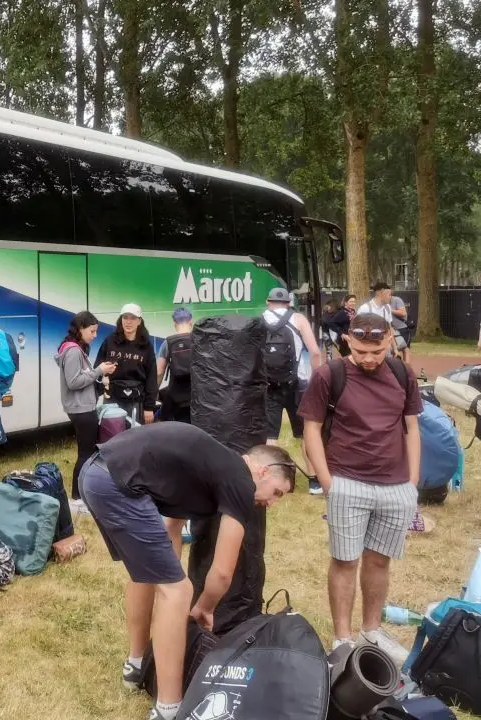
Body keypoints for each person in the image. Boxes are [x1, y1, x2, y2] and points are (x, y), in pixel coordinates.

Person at [79, 422, 295, 720]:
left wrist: (169, 576)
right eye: (277, 493)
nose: (270, 503)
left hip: (95, 474)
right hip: (116, 483)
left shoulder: (210, 468)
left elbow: (171, 528)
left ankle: (137, 665)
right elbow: (222, 572)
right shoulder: (240, 481)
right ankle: (168, 708)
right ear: (263, 471)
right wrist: (203, 608)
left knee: (147, 575)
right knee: (179, 590)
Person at [299, 312, 422, 664]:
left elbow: (412, 428)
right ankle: (342, 638)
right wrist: (326, 482)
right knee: (344, 561)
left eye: (377, 351)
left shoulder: (402, 373)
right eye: (362, 351)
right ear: (348, 341)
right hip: (346, 481)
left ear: (389, 343)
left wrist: (412, 481)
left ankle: (371, 630)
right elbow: (311, 429)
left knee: (379, 561)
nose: (370, 359)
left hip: (395, 484)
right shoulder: (329, 375)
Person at [262, 287, 323, 492]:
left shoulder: (259, 320)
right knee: (306, 433)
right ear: (288, 302)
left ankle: (270, 480)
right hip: (298, 384)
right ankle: (314, 481)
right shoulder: (298, 319)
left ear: (267, 302)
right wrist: (317, 378)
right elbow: (314, 352)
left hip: (269, 385)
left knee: (271, 435)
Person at [55, 311, 115, 504]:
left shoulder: (75, 348)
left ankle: (81, 494)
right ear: (80, 329)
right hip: (81, 408)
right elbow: (73, 382)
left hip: (82, 406)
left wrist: (98, 373)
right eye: (92, 331)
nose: (95, 335)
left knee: (87, 451)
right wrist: (99, 370)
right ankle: (77, 496)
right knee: (86, 453)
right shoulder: (73, 351)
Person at [95, 303, 157, 426]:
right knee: (113, 436)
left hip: (136, 401)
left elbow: (152, 378)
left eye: (133, 318)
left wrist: (149, 407)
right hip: (112, 399)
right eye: (125, 318)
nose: (128, 322)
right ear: (120, 320)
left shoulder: (146, 346)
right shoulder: (110, 341)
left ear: (139, 321)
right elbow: (97, 369)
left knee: (135, 439)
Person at [156, 307, 194, 423]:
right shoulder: (200, 341)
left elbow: (159, 372)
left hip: (176, 399)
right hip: (197, 398)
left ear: (174, 323)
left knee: (159, 419)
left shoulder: (168, 342)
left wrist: (153, 395)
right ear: (191, 322)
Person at [389, 295, 412, 363]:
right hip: (390, 330)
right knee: (392, 350)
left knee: (405, 349)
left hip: (401, 329)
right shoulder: (382, 302)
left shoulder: (397, 300)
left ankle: (407, 369)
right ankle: (396, 367)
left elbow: (403, 313)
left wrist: (390, 310)